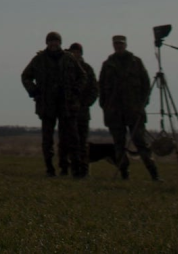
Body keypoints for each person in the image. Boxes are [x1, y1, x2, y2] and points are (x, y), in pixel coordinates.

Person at [21, 31, 86, 177]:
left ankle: (73, 169)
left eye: (55, 41)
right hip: (47, 104)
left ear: (60, 42)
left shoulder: (69, 58)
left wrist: (75, 91)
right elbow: (25, 76)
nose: (53, 44)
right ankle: (49, 169)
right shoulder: (39, 59)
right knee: (47, 139)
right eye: (50, 41)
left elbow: (82, 76)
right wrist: (34, 91)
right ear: (47, 43)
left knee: (70, 138)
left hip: (67, 105)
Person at [99, 35, 158, 181]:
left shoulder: (136, 63)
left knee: (141, 143)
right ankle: (124, 173)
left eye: (121, 43)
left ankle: (154, 173)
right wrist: (106, 106)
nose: (118, 46)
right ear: (113, 45)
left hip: (134, 111)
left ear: (125, 45)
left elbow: (146, 85)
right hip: (114, 112)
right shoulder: (108, 64)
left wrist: (142, 104)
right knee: (119, 145)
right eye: (116, 44)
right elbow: (101, 88)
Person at [66, 42, 99, 177]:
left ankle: (84, 170)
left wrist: (84, 104)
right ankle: (74, 170)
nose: (75, 54)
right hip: (68, 112)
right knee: (70, 142)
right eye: (72, 52)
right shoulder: (66, 68)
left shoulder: (87, 69)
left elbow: (94, 90)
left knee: (83, 143)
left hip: (83, 113)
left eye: (77, 52)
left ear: (81, 53)